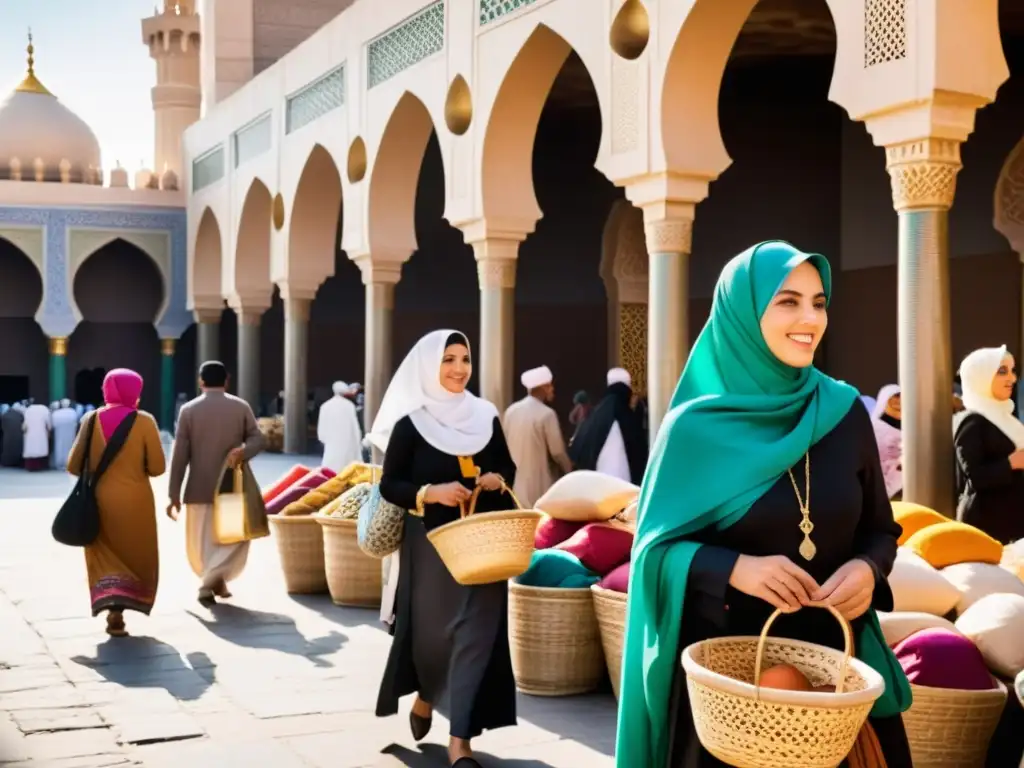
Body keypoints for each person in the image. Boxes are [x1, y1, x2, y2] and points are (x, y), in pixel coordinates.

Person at [615, 241, 912, 768]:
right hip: (731, 694)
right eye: (788, 301)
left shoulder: (843, 410)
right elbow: (651, 556)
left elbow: (880, 529)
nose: (810, 319)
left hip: (836, 682)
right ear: (743, 313)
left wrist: (868, 570)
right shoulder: (693, 429)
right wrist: (734, 568)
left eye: (818, 302)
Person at [372, 330, 517, 768]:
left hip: (484, 545)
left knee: (476, 635)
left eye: (465, 359)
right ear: (428, 366)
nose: (458, 369)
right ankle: (426, 693)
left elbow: (505, 464)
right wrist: (429, 492)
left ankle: (461, 743)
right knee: (436, 636)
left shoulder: (485, 415)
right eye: (448, 360)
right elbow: (390, 484)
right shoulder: (412, 422)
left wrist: (496, 477)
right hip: (431, 549)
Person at [67, 369, 165, 637]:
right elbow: (157, 468)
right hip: (136, 504)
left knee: (105, 555)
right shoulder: (145, 421)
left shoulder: (90, 419)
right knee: (135, 554)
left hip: (98, 503)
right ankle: (128, 602)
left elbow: (73, 465)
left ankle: (113, 612)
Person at [168, 361, 265, 604]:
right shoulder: (240, 407)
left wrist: (173, 495)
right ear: (227, 380)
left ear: (200, 381)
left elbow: (179, 456)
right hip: (232, 488)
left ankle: (209, 581)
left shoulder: (188, 410)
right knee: (232, 539)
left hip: (198, 489)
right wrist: (242, 451)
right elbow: (258, 439)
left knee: (202, 543)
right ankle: (214, 581)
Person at [953, 345, 1024, 544]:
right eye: (1002, 371)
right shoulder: (972, 421)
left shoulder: (1005, 417)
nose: (1012, 378)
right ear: (980, 376)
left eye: (1012, 370)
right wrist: (1011, 463)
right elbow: (974, 476)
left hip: (1012, 522)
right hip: (988, 525)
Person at [503, 365, 573, 507]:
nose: (552, 389)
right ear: (543, 387)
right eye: (550, 386)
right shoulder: (547, 414)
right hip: (539, 487)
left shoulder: (511, 411)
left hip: (514, 486)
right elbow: (557, 452)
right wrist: (570, 471)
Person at [568, 368, 647, 484]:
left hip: (600, 485)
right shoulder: (629, 416)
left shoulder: (597, 415)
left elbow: (579, 448)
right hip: (627, 486)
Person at [317, 381, 363, 472]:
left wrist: (322, 438)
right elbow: (355, 426)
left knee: (331, 462)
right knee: (347, 464)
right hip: (347, 440)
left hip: (331, 440)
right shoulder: (349, 406)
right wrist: (358, 439)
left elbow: (321, 426)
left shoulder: (325, 406)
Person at [870, 385, 902, 500]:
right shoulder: (872, 428)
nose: (899, 401)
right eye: (895, 396)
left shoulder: (913, 430)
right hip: (877, 491)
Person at [22, 400, 52, 471]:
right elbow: (49, 424)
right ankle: (39, 467)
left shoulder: (28, 410)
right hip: (41, 433)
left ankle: (30, 467)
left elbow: (25, 425)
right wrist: (49, 431)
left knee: (31, 450)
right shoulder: (44, 409)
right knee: (40, 449)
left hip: (30, 434)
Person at [51, 399, 79, 470]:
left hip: (59, 435)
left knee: (59, 447)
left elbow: (53, 425)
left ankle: (59, 464)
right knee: (70, 447)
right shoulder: (73, 412)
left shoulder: (56, 413)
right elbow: (75, 424)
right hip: (70, 435)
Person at [1, 403, 24, 467]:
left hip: (7, 437)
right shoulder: (20, 415)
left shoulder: (4, 415)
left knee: (7, 450)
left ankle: (7, 463)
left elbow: (2, 427)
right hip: (19, 436)